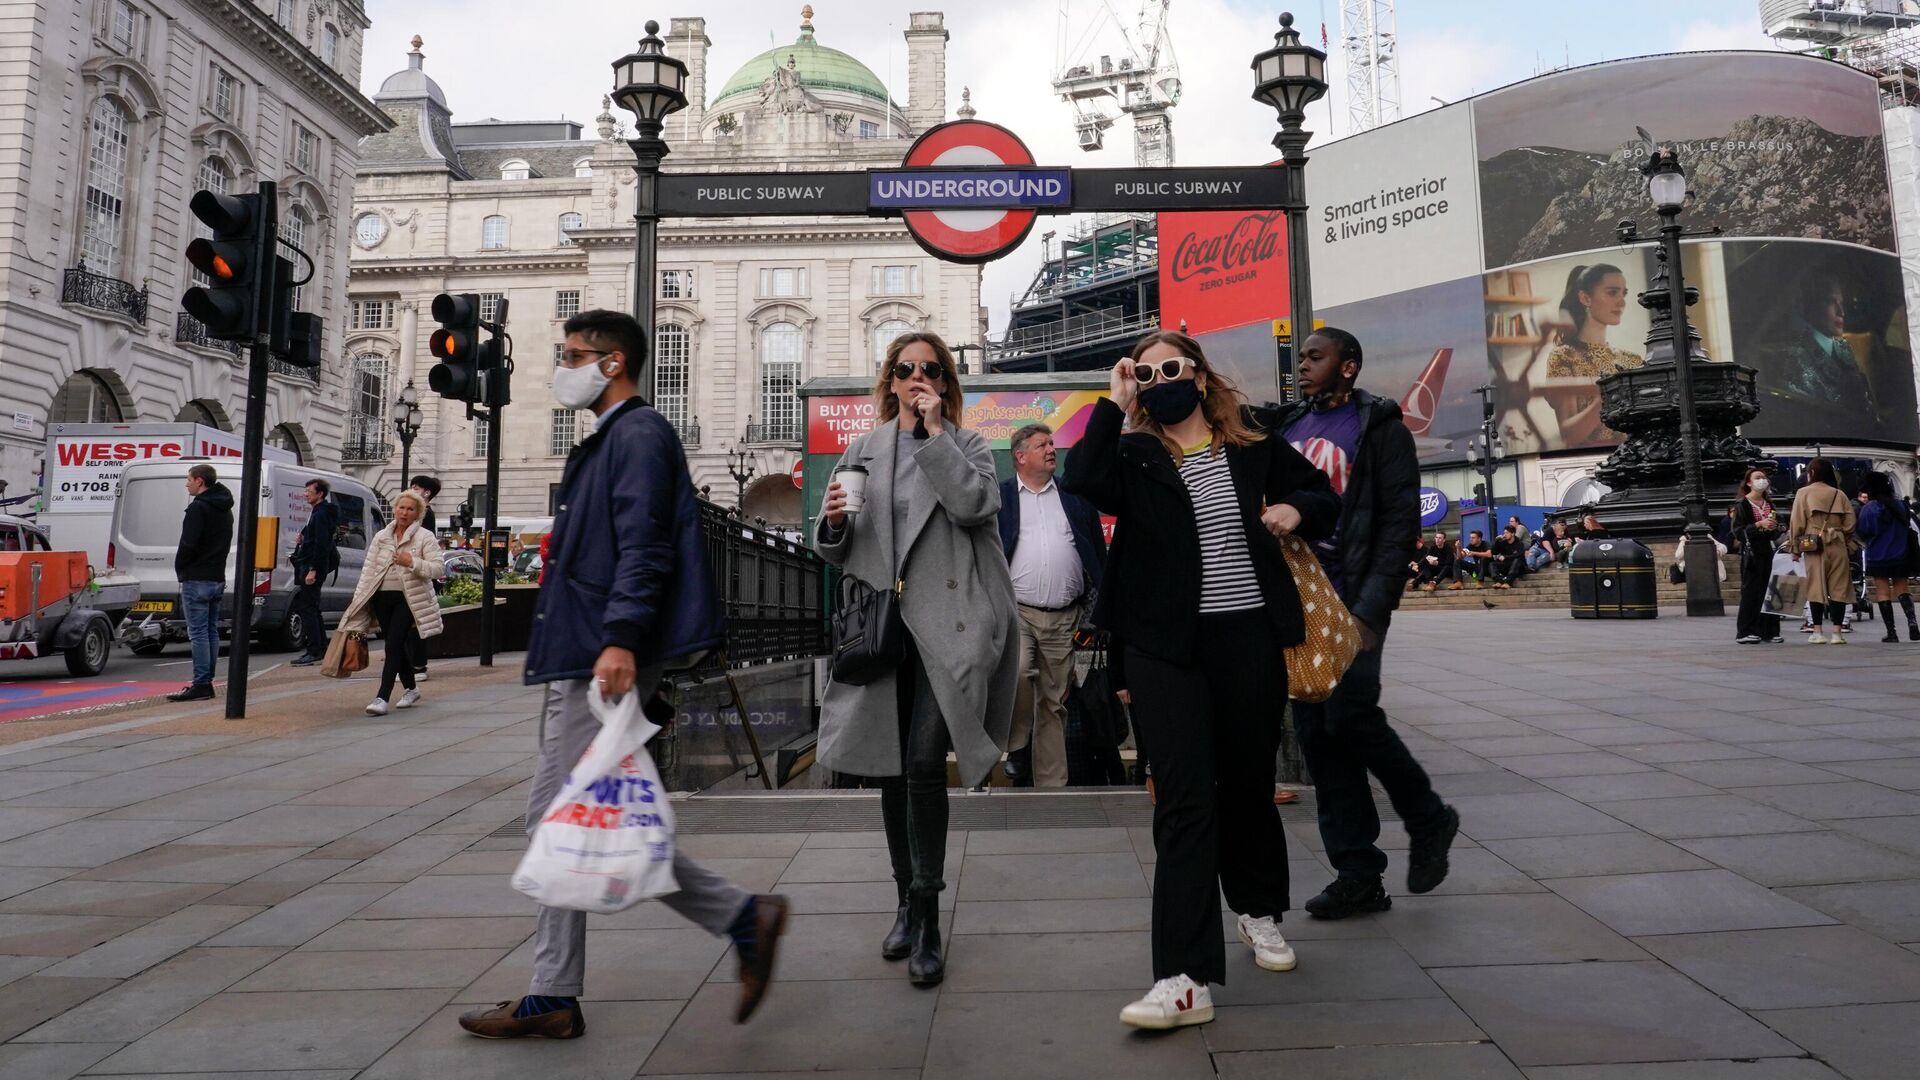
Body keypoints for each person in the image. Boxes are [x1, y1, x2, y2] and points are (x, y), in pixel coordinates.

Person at [460, 309, 788, 1040]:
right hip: (583, 648)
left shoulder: (636, 435)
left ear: (612, 364)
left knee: (561, 819)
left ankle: (559, 992)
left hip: (598, 654)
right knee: (579, 819)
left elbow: (644, 547)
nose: (562, 366)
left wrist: (619, 640)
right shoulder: (613, 439)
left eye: (574, 355)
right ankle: (731, 919)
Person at [1064, 329, 1338, 1030]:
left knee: (1245, 786)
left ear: (1199, 374)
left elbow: (1323, 494)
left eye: (1170, 368)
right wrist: (1114, 400)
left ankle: (1255, 911)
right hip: (1163, 649)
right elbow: (1083, 482)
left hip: (1246, 638)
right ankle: (1182, 978)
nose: (1160, 380)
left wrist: (1294, 509)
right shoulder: (1133, 453)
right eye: (1146, 373)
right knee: (1184, 799)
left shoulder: (1252, 450)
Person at [817, 330, 1018, 988]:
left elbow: (974, 505)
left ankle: (929, 916)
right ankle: (905, 899)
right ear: (889, 380)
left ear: (945, 383)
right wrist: (833, 524)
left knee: (927, 761)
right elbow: (837, 547)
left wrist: (935, 438)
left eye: (930, 370)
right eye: (905, 370)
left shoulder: (965, 446)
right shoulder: (863, 449)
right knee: (890, 767)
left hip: (949, 629)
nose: (916, 378)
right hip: (883, 630)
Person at [1275, 328, 1460, 922]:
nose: (1303, 365)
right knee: (1319, 738)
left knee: (1350, 715)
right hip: (1301, 602)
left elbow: (1398, 524)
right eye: (1301, 356)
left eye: (1315, 357)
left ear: (1348, 367)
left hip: (1352, 600)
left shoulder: (1380, 430)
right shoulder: (1289, 426)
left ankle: (1429, 817)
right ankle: (1358, 875)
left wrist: (1371, 612)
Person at [997, 422, 1106, 788]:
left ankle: (1051, 788)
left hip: (1064, 617)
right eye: (1043, 444)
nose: (1051, 449)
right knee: (1018, 673)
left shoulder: (1075, 497)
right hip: (1018, 612)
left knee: (1053, 702)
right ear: (1020, 456)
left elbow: (1095, 551)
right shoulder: (1002, 497)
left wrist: (1098, 607)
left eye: (1052, 443)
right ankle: (1017, 745)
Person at [339, 491, 443, 715]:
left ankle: (381, 697)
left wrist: (412, 562)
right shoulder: (381, 536)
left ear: (418, 514)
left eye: (410, 509)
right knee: (396, 644)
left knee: (393, 644)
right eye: (401, 508)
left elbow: (438, 568)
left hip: (408, 597)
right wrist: (359, 598)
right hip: (381, 597)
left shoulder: (425, 537)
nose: (404, 512)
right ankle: (411, 688)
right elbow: (369, 569)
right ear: (395, 509)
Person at [166, 464, 233, 703]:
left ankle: (202, 682)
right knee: (211, 631)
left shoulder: (198, 509)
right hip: (216, 575)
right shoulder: (225, 509)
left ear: (200, 481)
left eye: (189, 479)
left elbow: (188, 543)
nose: (187, 484)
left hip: (197, 577)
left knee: (198, 633)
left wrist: (181, 567)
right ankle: (207, 680)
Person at [1790, 457, 1859, 645]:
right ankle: (1837, 632)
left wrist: (1795, 547)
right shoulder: (1839, 494)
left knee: (1815, 587)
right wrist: (1841, 534)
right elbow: (1851, 522)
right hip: (1837, 542)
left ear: (1811, 473)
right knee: (1839, 587)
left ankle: (1817, 631)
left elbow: (1797, 522)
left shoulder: (1803, 493)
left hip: (1813, 543)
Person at [1546, 264, 1643, 378]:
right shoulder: (1564, 357)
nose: (1622, 303)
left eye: (1623, 294)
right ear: (1586, 298)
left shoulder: (1632, 360)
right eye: (1612, 292)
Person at [1856, 470, 1919, 643]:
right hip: (1900, 553)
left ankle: (1892, 632)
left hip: (1877, 555)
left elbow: (1863, 532)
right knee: (1903, 589)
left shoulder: (1868, 509)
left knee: (1883, 593)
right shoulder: (1900, 505)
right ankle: (1913, 624)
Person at [287, 478, 340, 667]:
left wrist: (313, 570)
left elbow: (322, 543)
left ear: (320, 494)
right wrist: (304, 535)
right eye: (305, 490)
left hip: (312, 565)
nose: (305, 493)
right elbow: (315, 536)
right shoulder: (318, 512)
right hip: (310, 563)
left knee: (307, 608)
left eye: (309, 491)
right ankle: (320, 646)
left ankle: (314, 650)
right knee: (312, 607)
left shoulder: (321, 513)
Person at [1729, 467, 1785, 645]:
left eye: (1764, 477)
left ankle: (1770, 630)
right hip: (1752, 552)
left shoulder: (1769, 504)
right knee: (1752, 591)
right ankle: (1746, 630)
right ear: (1749, 483)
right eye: (1757, 477)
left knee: (1770, 590)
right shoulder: (1742, 505)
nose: (1762, 480)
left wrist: (1776, 528)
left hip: (1768, 551)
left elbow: (1777, 529)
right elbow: (1738, 531)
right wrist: (1758, 525)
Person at [405, 475, 442, 681]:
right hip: (410, 570)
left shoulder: (424, 514)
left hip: (419, 571)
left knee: (416, 620)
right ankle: (411, 663)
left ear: (426, 493)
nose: (411, 489)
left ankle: (418, 665)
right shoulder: (419, 512)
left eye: (416, 487)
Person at [1490, 524, 1528, 588]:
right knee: (1492, 564)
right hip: (1507, 566)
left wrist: (1505, 557)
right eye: (1504, 533)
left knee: (1516, 560)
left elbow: (1519, 555)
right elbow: (1493, 552)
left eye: (1507, 533)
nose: (1505, 535)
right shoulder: (1503, 542)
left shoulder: (1519, 543)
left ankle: (1508, 582)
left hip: (1519, 567)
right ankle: (1498, 581)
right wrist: (1497, 541)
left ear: (1513, 534)